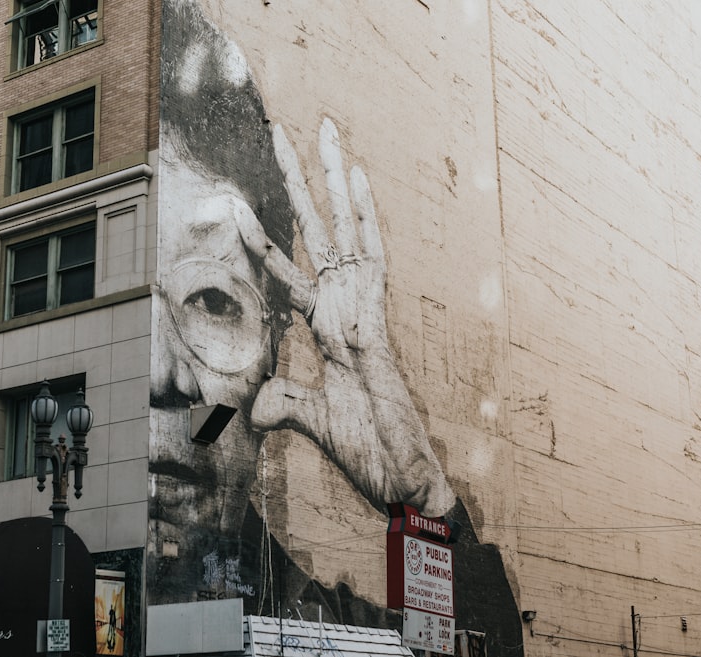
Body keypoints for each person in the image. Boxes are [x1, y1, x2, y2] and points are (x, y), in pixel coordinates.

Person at [149, 1, 522, 654]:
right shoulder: (15, 578)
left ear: (274, 351)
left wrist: (428, 503)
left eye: (210, 298)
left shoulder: (321, 622)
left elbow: (479, 646)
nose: (161, 370)